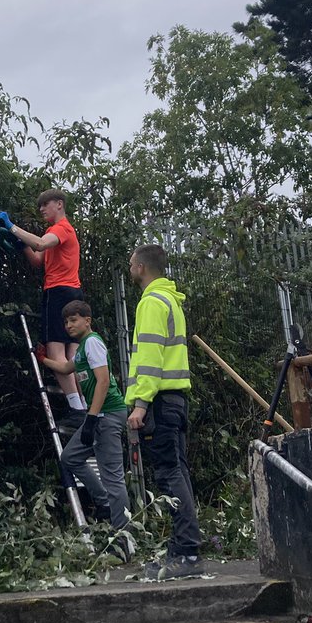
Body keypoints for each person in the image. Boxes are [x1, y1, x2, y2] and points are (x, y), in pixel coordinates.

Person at [125, 244, 205, 580]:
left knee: (170, 475)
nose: (130, 269)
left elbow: (151, 356)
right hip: (173, 401)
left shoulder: (152, 303)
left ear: (141, 267)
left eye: (131, 264)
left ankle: (187, 553)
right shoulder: (170, 300)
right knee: (177, 472)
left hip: (159, 401)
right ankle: (181, 550)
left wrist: (140, 403)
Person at [37, 300, 132, 549]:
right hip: (98, 416)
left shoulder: (93, 343)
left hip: (108, 414)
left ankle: (123, 537)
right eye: (66, 321)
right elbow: (66, 368)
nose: (68, 325)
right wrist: (43, 359)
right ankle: (104, 503)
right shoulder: (80, 350)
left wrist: (90, 419)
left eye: (74, 320)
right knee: (70, 458)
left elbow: (102, 382)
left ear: (87, 321)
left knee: (113, 476)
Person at [0, 190, 85, 422]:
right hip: (74, 293)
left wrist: (11, 226)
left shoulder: (61, 229)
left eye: (45, 204)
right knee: (73, 353)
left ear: (59, 204)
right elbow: (38, 259)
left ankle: (76, 409)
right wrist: (20, 245)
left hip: (58, 292)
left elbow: (39, 243)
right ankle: (87, 407)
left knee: (56, 351)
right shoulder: (57, 233)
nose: (42, 209)